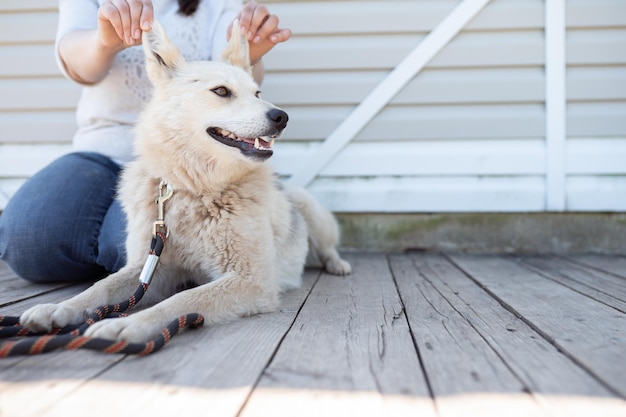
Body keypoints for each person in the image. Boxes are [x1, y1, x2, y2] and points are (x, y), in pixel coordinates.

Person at [0, 0, 291, 283]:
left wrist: (252, 55)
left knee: (147, 252)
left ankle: (104, 258)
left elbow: (231, 74)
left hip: (177, 167)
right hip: (100, 151)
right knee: (27, 243)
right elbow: (79, 66)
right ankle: (104, 253)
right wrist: (105, 40)